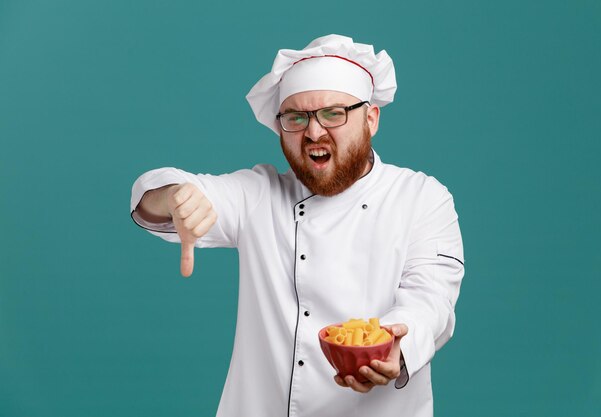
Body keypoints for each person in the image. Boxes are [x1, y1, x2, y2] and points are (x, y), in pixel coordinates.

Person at [130, 34, 465, 417]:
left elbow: (431, 299)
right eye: (296, 117)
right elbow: (158, 192)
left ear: (371, 118)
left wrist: (393, 345)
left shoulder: (422, 197)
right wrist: (175, 197)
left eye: (333, 113)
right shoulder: (259, 194)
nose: (314, 132)